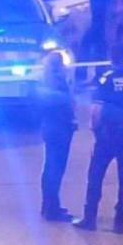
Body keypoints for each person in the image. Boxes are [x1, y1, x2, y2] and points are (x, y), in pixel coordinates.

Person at [73, 45, 123, 234]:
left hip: (108, 136)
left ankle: (90, 218)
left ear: (111, 60)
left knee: (96, 175)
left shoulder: (106, 79)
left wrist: (95, 128)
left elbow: (96, 109)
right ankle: (119, 222)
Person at [39, 52, 77, 222]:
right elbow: (66, 103)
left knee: (49, 168)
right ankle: (52, 209)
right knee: (56, 169)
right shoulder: (58, 82)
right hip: (60, 129)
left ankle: (48, 205)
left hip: (49, 127)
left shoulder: (45, 81)